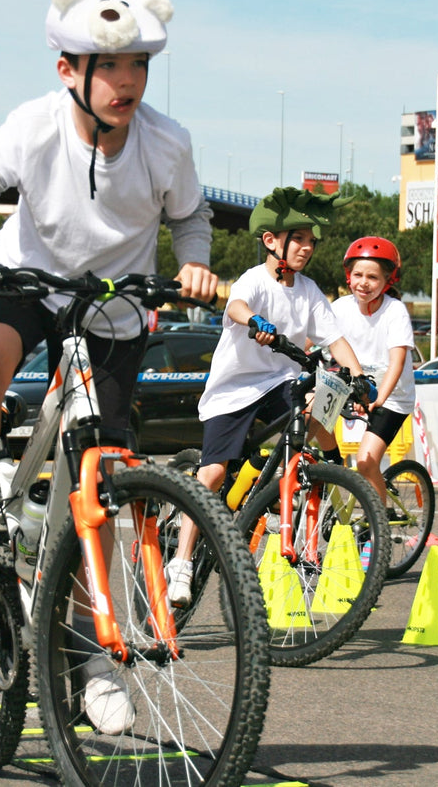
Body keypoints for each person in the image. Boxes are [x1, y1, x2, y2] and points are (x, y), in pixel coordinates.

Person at [0, 0, 217, 735]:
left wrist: (193, 262)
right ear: (69, 70)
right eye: (111, 67)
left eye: (138, 67)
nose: (127, 83)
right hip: (28, 278)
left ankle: (91, 654)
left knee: (104, 481)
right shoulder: (34, 124)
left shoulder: (167, 142)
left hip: (113, 301)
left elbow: (192, 220)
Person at [165, 187, 371, 607]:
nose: (308, 247)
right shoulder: (256, 280)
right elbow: (237, 305)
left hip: (281, 381)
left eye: (313, 241)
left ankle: (313, 479)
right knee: (213, 474)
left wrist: (360, 377)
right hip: (235, 388)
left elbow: (336, 340)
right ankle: (181, 561)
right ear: (272, 241)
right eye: (300, 239)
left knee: (323, 403)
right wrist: (255, 319)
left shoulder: (310, 290)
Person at [313, 236, 416, 500]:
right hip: (353, 387)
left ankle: (377, 525)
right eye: (358, 274)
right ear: (348, 276)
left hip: (390, 397)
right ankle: (333, 462)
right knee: (308, 411)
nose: (364, 283)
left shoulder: (395, 311)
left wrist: (378, 399)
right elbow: (312, 340)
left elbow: (398, 361)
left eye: (373, 277)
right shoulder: (341, 307)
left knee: (366, 462)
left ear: (387, 280)